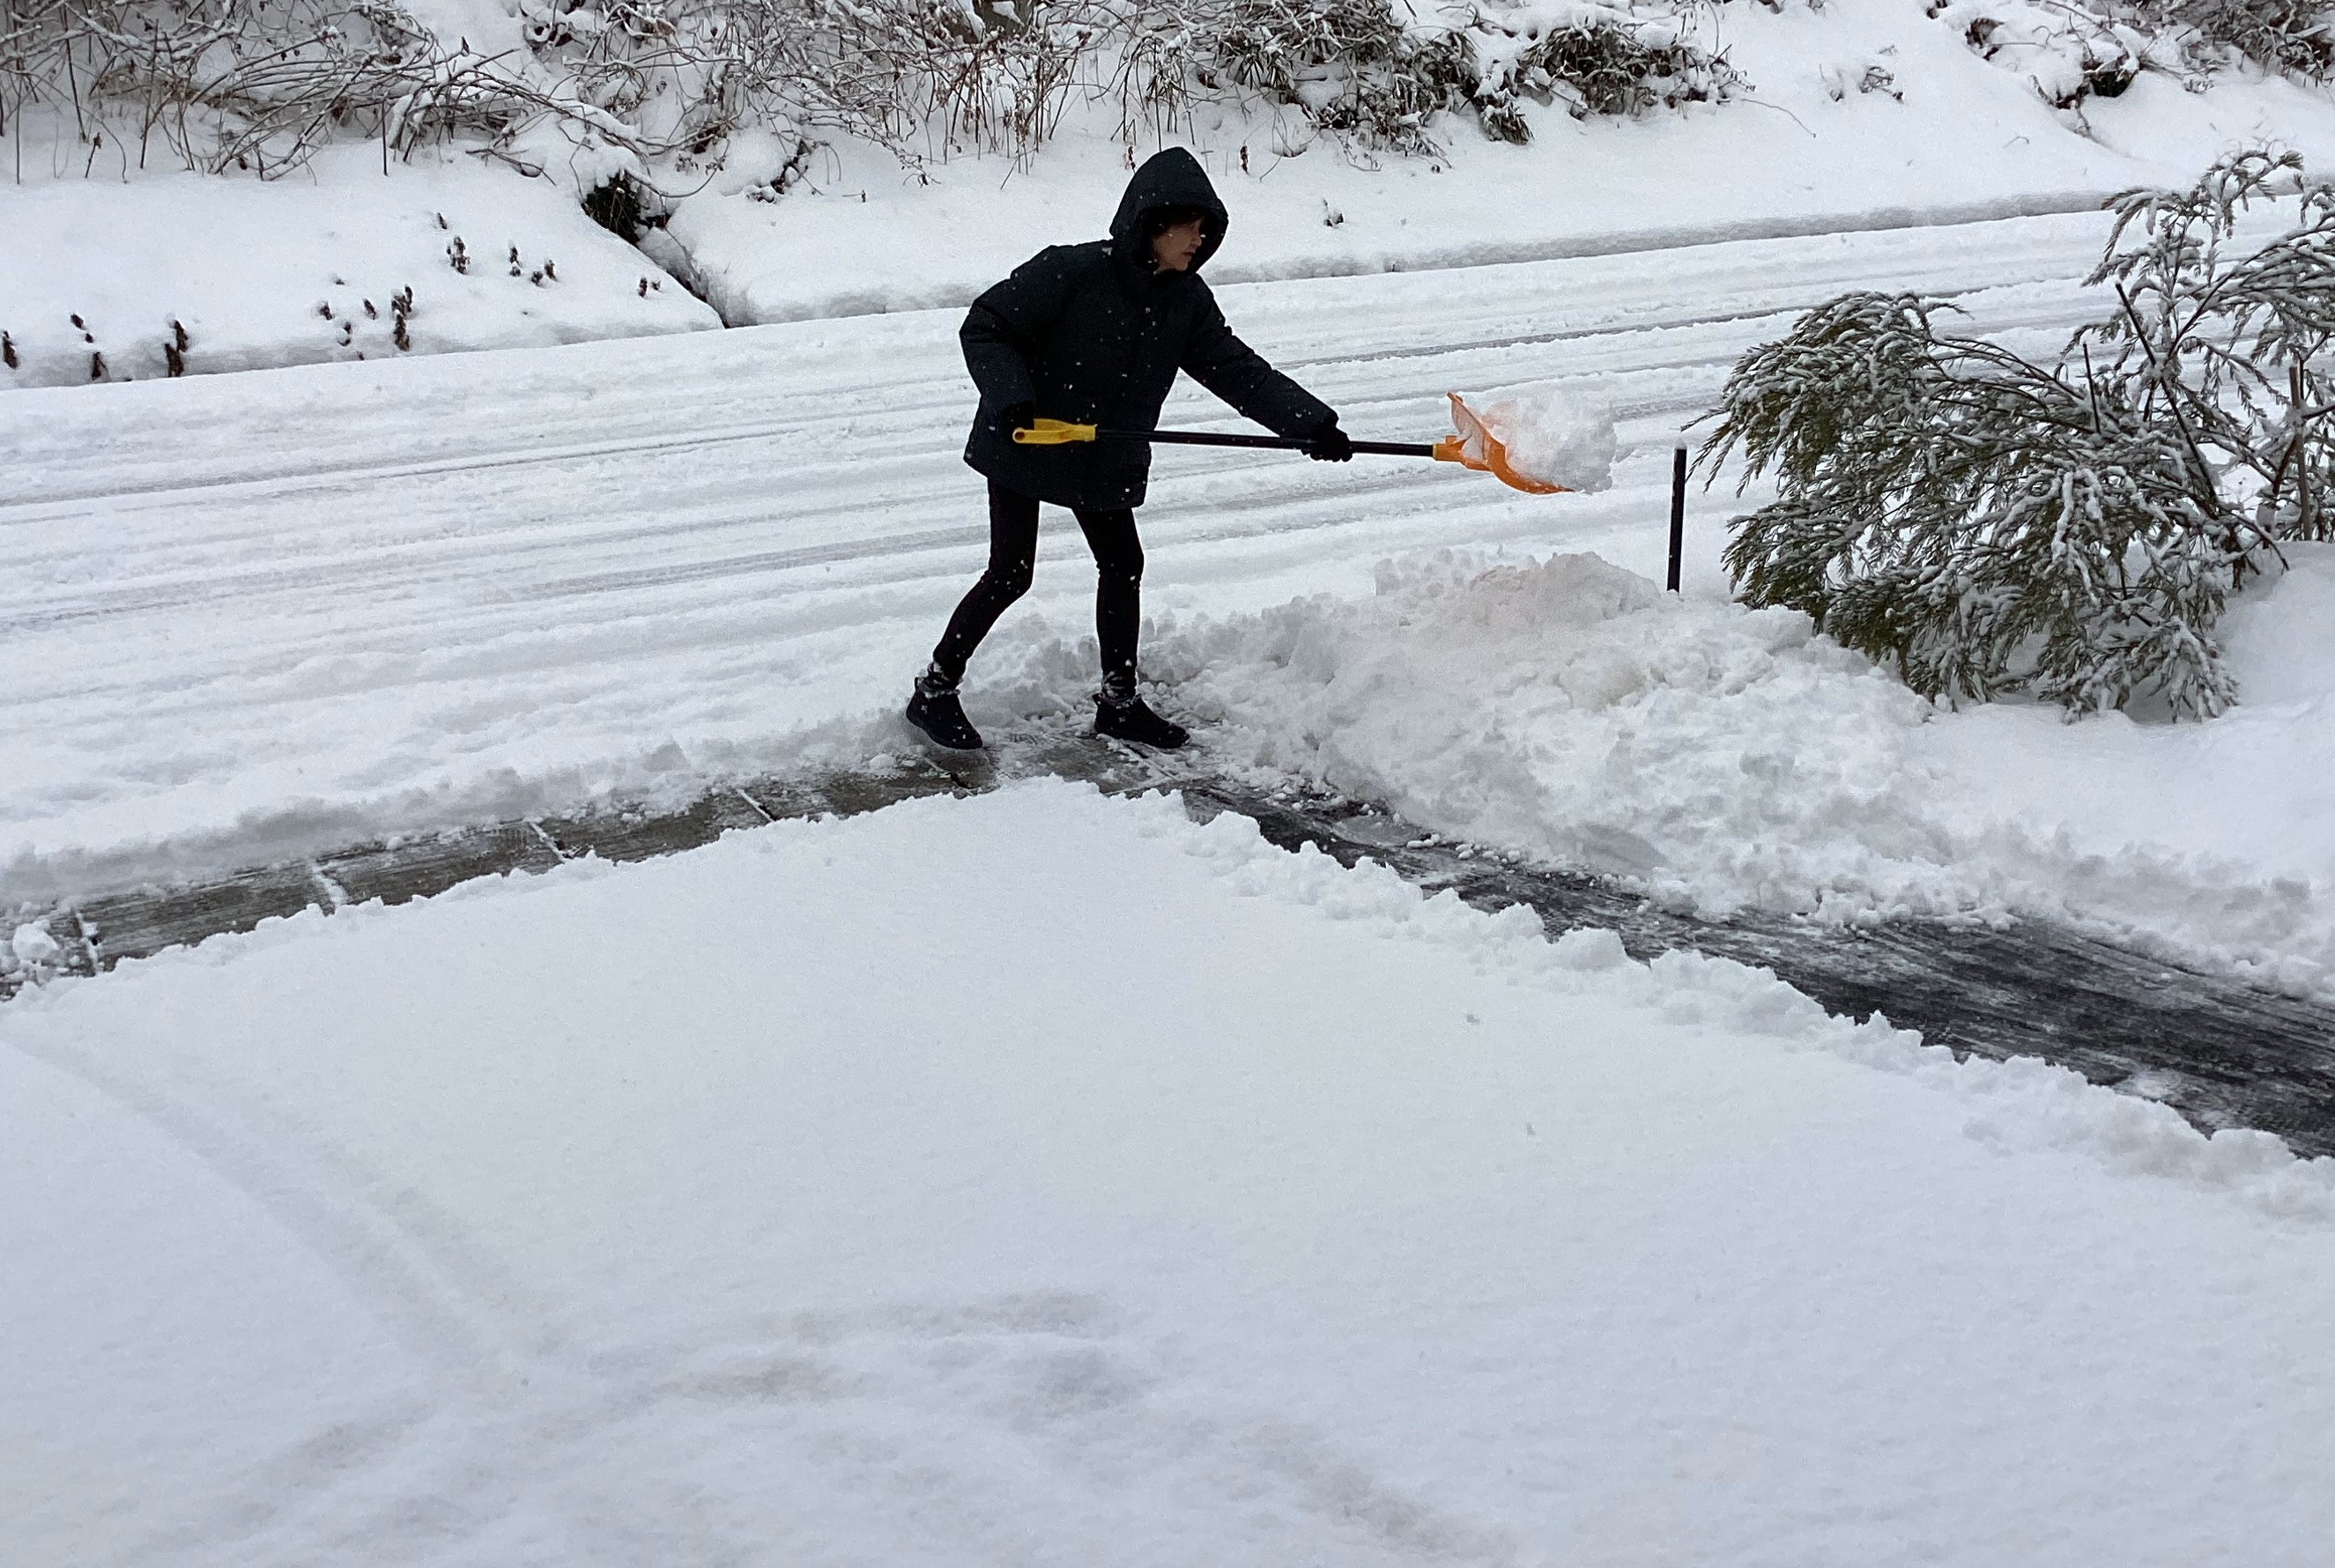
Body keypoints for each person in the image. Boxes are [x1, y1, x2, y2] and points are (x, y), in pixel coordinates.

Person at [905, 147, 1352, 752]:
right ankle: (934, 690)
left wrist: (1311, 425)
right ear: (1154, 222)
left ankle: (1118, 703)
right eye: (1190, 227)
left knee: (1122, 565)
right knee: (1011, 573)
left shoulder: (1186, 302)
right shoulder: (1072, 271)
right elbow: (986, 324)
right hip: (1029, 438)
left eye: (1207, 229)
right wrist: (1014, 399)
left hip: (1102, 450)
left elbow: (1238, 371)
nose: (1200, 240)